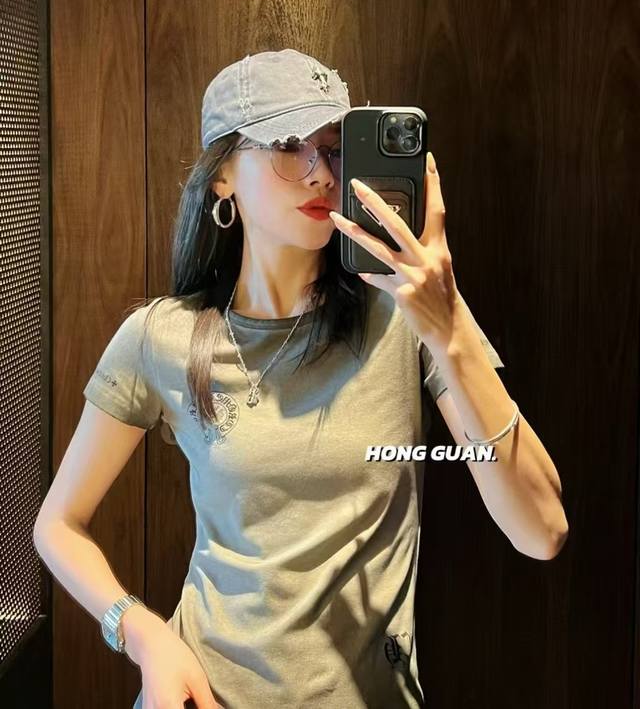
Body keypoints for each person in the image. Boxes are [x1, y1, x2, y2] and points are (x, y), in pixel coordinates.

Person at [35, 48, 506, 708]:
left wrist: (448, 325)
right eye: (289, 146)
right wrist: (144, 636)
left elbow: (540, 530)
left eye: (335, 149)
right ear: (223, 176)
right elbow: (57, 524)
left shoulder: (407, 314)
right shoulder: (160, 337)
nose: (322, 173)